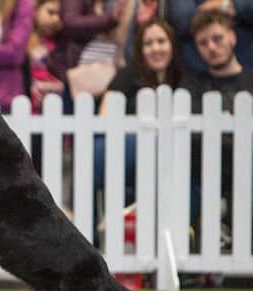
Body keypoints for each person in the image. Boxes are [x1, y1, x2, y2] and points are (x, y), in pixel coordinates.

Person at [93, 17, 181, 240]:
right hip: (126, 154)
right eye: (148, 43)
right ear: (140, 49)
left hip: (171, 157)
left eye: (161, 41)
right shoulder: (128, 75)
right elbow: (105, 116)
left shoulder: (183, 79)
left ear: (172, 45)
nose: (156, 48)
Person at [179, 9, 253, 255]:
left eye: (217, 38)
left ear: (232, 37)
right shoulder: (191, 87)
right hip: (206, 175)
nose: (211, 47)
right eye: (203, 42)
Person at [166, 0, 253, 74]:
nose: (212, 47)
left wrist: (225, 5)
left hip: (245, 61)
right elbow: (183, 20)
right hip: (198, 70)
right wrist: (226, 6)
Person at [26, 0, 64, 113]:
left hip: (56, 110)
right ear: (36, 10)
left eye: (60, 15)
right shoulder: (25, 41)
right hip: (28, 110)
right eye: (50, 12)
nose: (56, 19)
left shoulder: (61, 44)